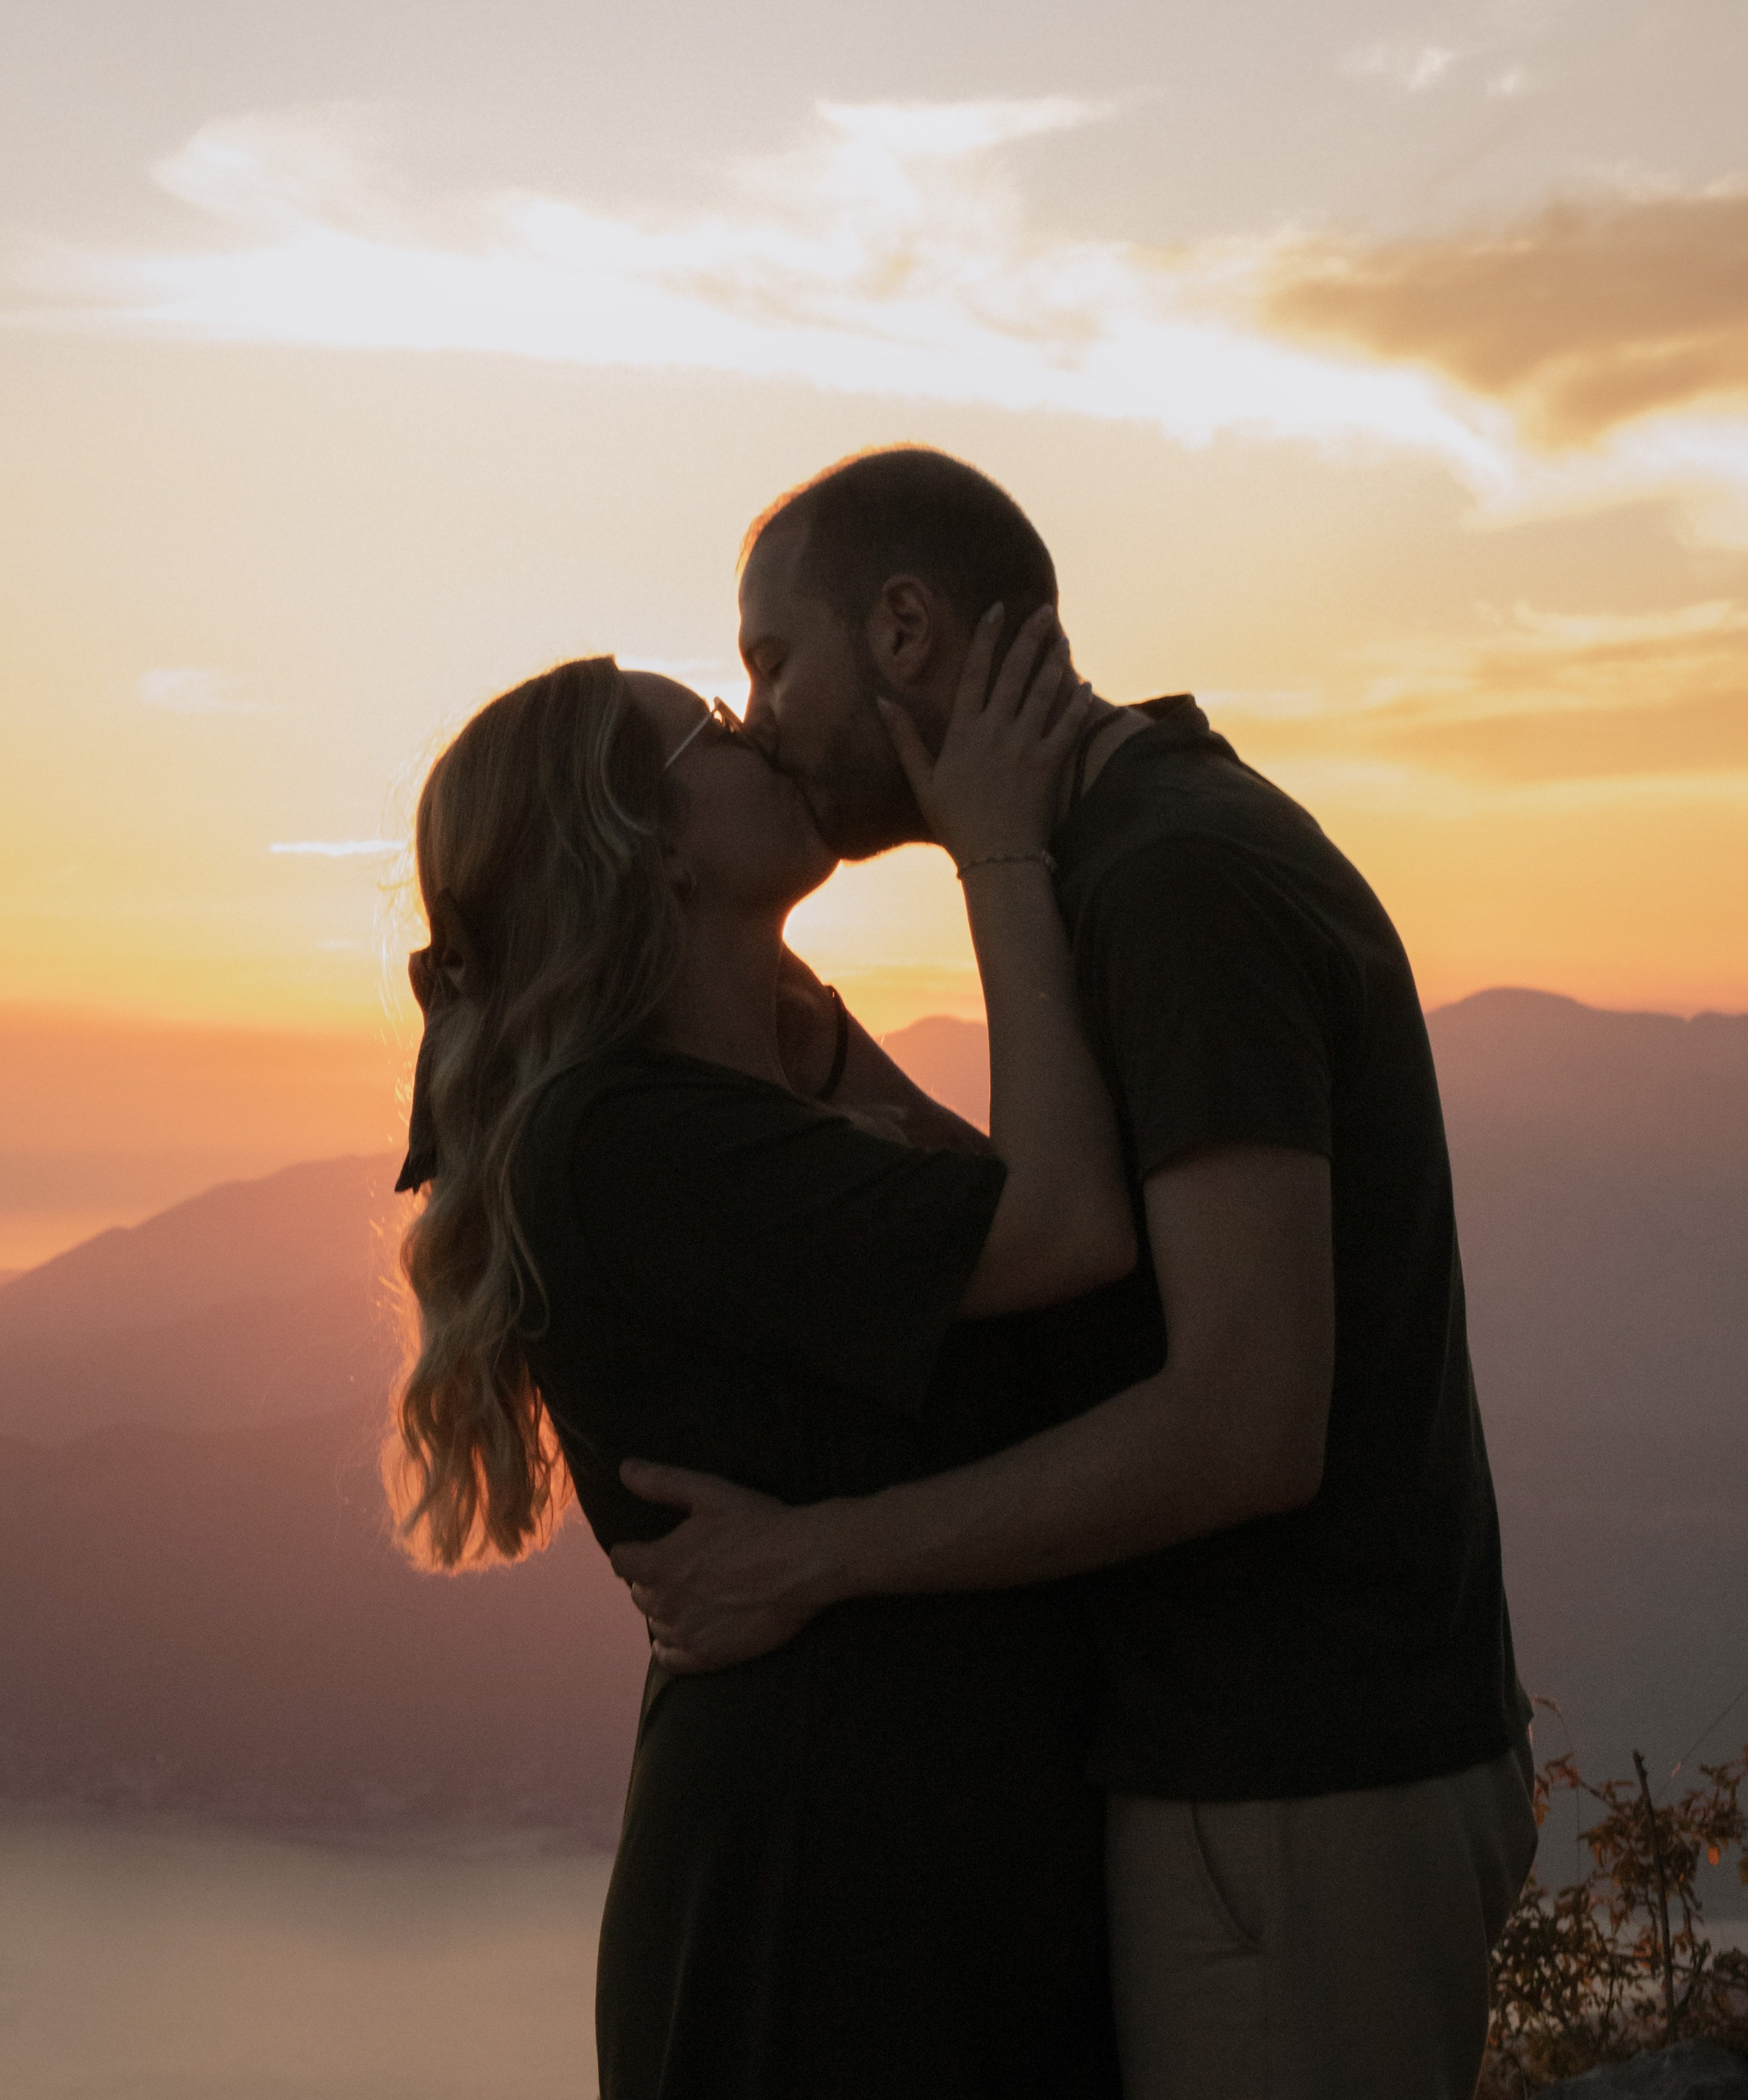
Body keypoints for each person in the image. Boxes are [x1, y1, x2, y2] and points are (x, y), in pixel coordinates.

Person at [613, 445, 1540, 2100]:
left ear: (903, 626)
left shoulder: (1166, 879)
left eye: (769, 657)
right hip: (1258, 1770)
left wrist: (822, 1558)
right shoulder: (1123, 854)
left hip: (1291, 1777)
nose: (752, 716)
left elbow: (1248, 1417)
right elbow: (1059, 1257)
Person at [386, 621, 1137, 2100]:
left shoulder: (718, 1114)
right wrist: (999, 859)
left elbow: (1010, 1257)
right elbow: (1064, 1231)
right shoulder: (626, 1142)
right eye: (713, 730)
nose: (760, 735)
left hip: (897, 1862)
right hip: (827, 1914)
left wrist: (805, 1024)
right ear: (645, 847)